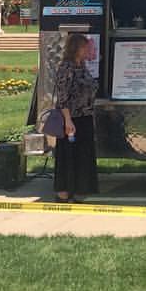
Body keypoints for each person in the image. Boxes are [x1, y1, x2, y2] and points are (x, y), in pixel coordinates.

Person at [53, 33, 99, 202]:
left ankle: (80, 189)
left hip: (85, 116)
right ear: (76, 48)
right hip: (71, 118)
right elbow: (62, 96)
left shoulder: (82, 66)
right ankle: (63, 191)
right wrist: (67, 120)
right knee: (68, 154)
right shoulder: (66, 68)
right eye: (84, 47)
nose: (87, 50)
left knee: (83, 154)